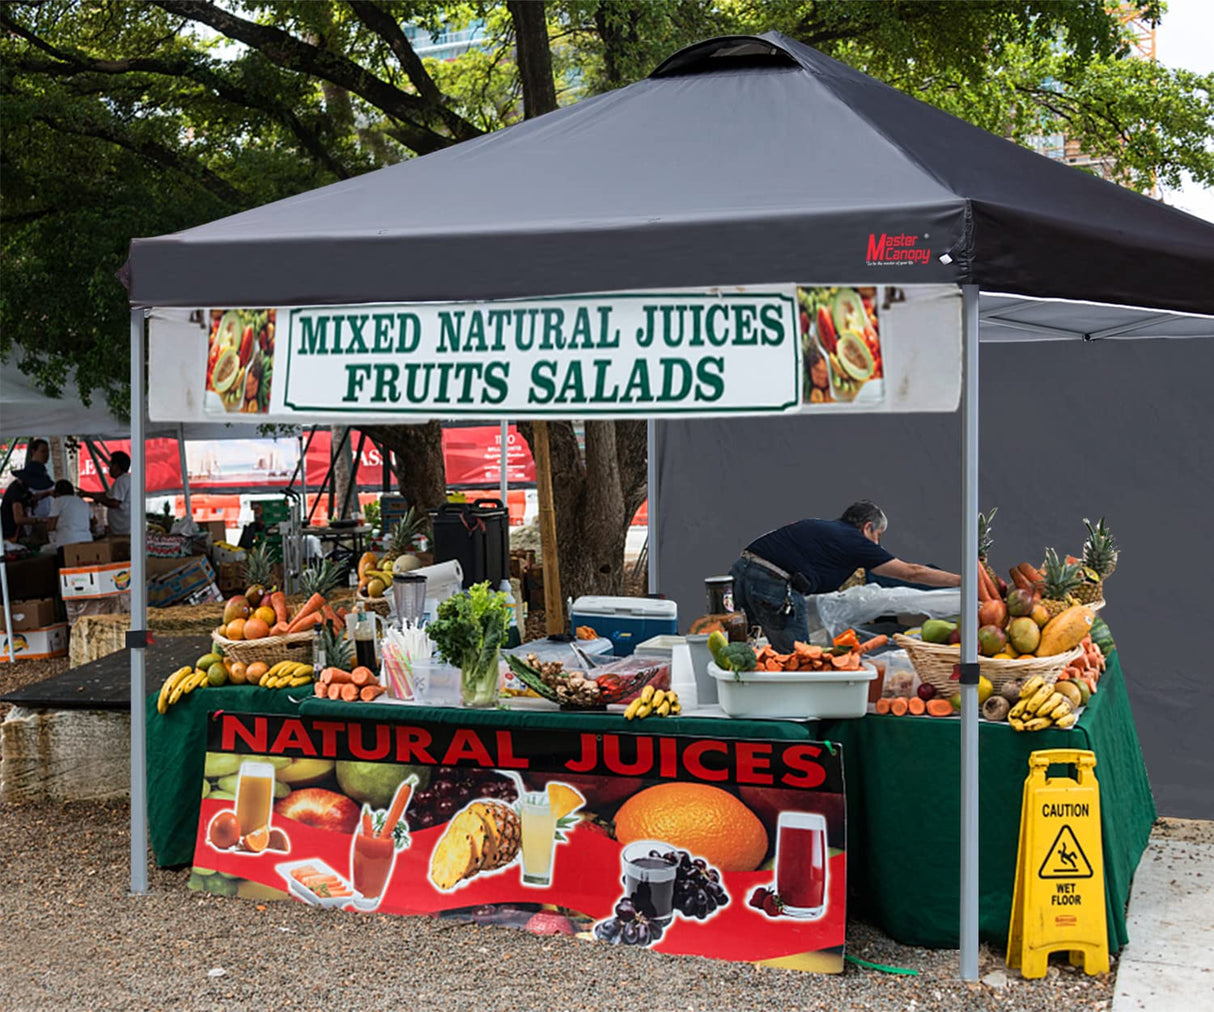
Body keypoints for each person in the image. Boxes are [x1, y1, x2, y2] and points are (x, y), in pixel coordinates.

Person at [730, 500, 961, 652]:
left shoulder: (820, 528)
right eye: (878, 535)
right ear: (867, 527)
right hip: (773, 584)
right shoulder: (854, 540)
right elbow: (912, 573)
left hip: (740, 572)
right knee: (797, 660)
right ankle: (795, 718)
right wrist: (963, 581)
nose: (878, 543)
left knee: (740, 651)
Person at [81, 451, 132, 536]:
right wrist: (89, 494)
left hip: (123, 531)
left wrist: (98, 498)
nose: (109, 468)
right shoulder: (127, 479)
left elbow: (114, 502)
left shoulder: (122, 481)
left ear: (117, 466)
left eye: (111, 465)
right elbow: (107, 495)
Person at [44, 480, 94, 549]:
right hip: (86, 540)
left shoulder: (58, 501)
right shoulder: (82, 502)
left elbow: (51, 525)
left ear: (57, 493)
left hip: (66, 541)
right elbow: (94, 521)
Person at [20, 439, 55, 517]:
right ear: (33, 452)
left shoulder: (44, 473)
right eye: (43, 451)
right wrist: (48, 493)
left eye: (48, 452)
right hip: (35, 519)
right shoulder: (29, 473)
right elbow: (28, 498)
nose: (46, 455)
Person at [2, 474, 37, 544]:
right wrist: (39, 520)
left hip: (17, 530)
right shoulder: (16, 492)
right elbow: (18, 519)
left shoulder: (24, 489)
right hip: (11, 532)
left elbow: (33, 497)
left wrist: (47, 493)